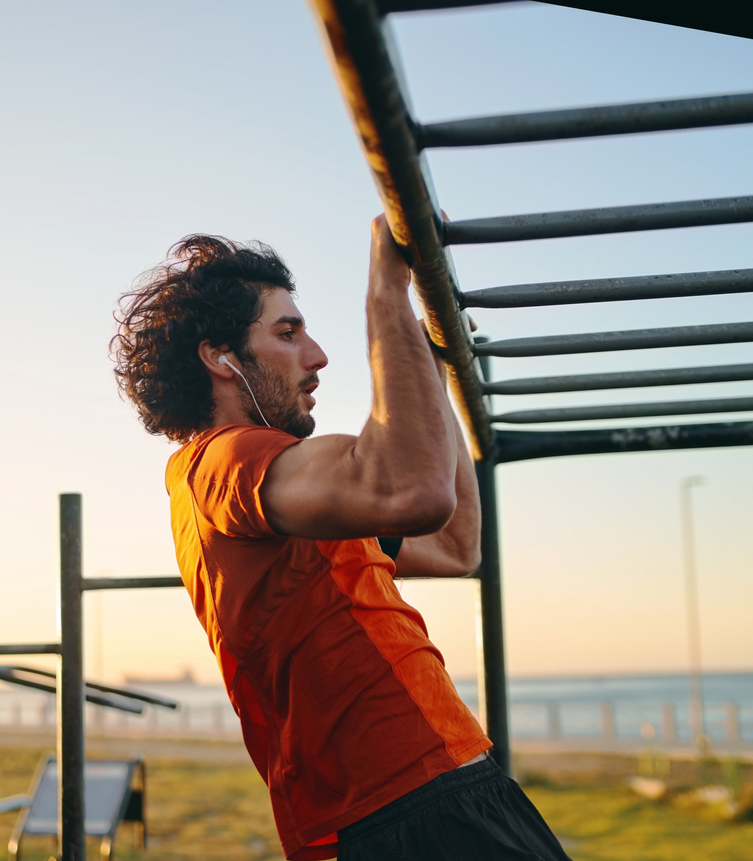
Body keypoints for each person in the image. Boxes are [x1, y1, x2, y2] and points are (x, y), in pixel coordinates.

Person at [111, 216, 568, 861]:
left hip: (449, 779)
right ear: (219, 358)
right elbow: (412, 489)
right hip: (399, 805)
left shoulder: (294, 502)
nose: (317, 355)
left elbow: (454, 544)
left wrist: (431, 372)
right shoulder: (221, 460)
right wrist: (389, 291)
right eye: (287, 332)